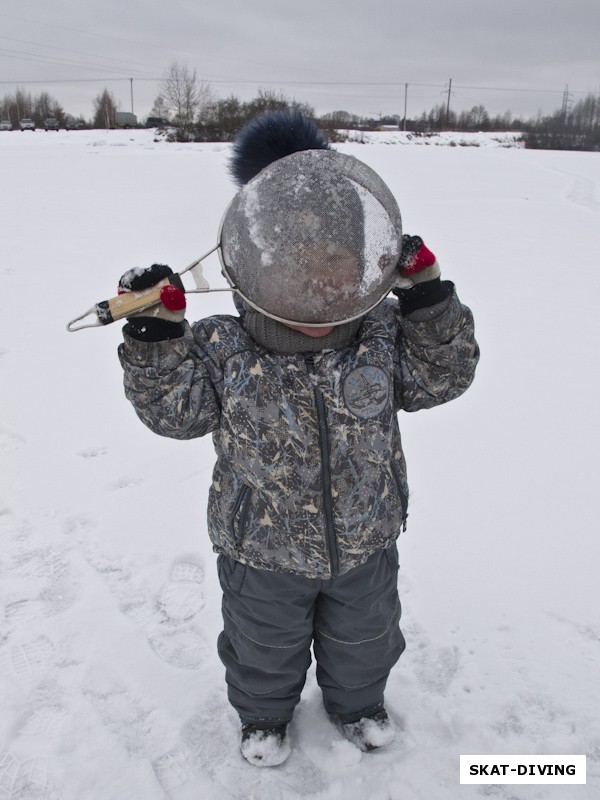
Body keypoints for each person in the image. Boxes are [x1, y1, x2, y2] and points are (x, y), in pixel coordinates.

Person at [117, 110, 479, 768]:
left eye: (338, 263)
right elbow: (174, 412)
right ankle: (263, 714)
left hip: (366, 542)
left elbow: (444, 375)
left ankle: (358, 702)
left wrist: (427, 300)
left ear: (370, 267)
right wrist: (156, 339)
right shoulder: (226, 348)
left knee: (366, 638)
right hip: (260, 552)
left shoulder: (382, 336)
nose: (320, 282)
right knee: (262, 645)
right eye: (297, 266)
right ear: (253, 265)